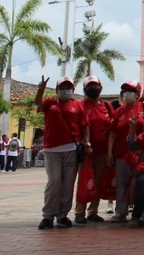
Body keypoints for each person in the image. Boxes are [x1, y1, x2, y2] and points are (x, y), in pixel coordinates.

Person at [36, 76, 90, 230]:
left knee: (68, 183)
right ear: (57, 90)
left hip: (71, 149)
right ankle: (48, 216)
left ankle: (62, 215)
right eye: (62, 87)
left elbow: (84, 126)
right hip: (52, 149)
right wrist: (40, 89)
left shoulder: (78, 106)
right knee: (54, 181)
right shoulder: (50, 103)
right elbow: (38, 103)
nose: (65, 90)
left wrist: (87, 142)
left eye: (68, 87)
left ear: (72, 90)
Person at [107, 80, 144, 223]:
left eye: (131, 91)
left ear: (137, 94)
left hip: (140, 154)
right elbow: (112, 133)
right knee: (121, 183)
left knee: (142, 181)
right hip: (121, 154)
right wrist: (109, 152)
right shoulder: (119, 112)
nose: (127, 94)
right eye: (125, 91)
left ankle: (143, 210)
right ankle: (120, 211)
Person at [75, 76, 114, 224]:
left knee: (98, 181)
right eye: (90, 86)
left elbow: (112, 128)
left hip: (103, 151)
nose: (93, 88)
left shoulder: (107, 106)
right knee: (84, 181)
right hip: (87, 152)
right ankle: (79, 212)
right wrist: (86, 144)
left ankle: (93, 211)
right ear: (85, 89)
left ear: (101, 87)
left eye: (95, 85)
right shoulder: (81, 106)